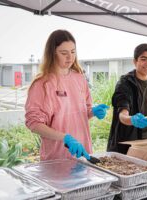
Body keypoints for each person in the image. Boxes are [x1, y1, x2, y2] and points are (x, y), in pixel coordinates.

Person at [25, 30, 109, 161]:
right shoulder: (42, 84)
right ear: (52, 53)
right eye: (64, 53)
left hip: (83, 154)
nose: (70, 57)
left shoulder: (80, 79)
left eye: (73, 52)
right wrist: (65, 137)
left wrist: (93, 111)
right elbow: (34, 124)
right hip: (56, 158)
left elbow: (82, 113)